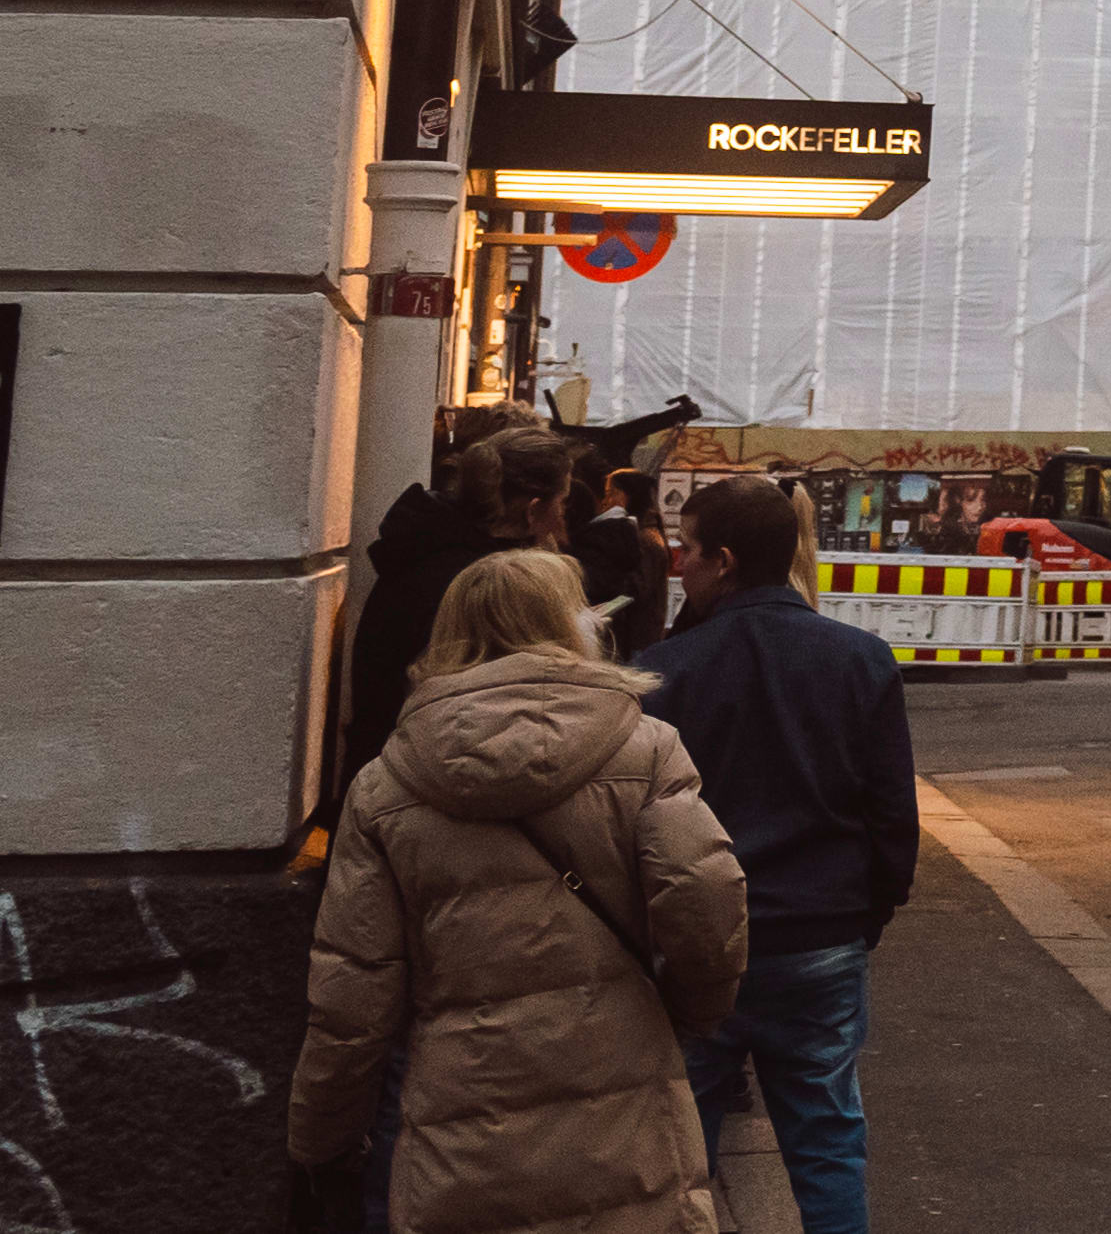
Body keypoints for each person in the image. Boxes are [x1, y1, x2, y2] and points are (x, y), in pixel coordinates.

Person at [286, 550, 748, 1234]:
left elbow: (352, 999)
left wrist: (317, 1140)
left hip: (464, 1117)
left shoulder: (386, 786)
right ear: (569, 625)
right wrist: (690, 1013)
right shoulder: (646, 749)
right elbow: (706, 908)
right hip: (621, 1098)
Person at [643, 475, 916, 1234]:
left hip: (701, 939)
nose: (678, 565)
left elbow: (643, 818)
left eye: (686, 548)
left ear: (723, 560)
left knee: (682, 1149)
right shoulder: (861, 659)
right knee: (827, 1140)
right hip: (822, 935)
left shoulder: (666, 672)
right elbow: (893, 814)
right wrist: (867, 916)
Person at [341, 427, 573, 793]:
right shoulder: (488, 584)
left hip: (380, 778)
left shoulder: (424, 547)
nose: (563, 522)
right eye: (563, 504)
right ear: (532, 512)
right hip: (423, 792)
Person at [570, 450, 671, 661]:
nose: (607, 499)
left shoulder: (646, 539)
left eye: (613, 492)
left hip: (638, 637)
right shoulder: (640, 533)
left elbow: (636, 589)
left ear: (628, 495)